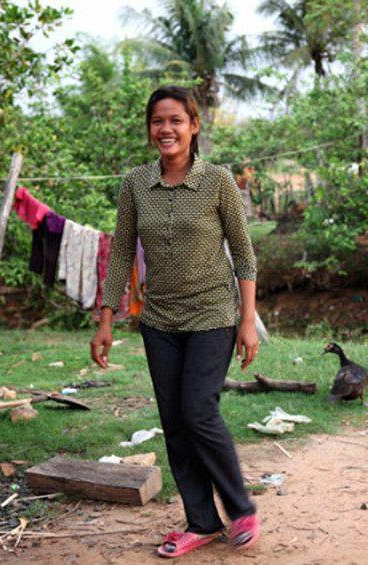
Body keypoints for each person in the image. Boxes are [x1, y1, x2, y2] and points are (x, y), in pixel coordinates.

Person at [90, 86, 260, 558]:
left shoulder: (218, 181)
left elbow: (244, 257)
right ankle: (201, 522)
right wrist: (106, 319)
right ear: (150, 129)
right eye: (157, 121)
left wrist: (247, 321)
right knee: (174, 421)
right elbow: (122, 252)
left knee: (198, 411)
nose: (166, 129)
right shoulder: (135, 184)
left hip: (213, 313)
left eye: (176, 120)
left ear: (194, 126)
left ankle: (241, 507)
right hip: (159, 319)